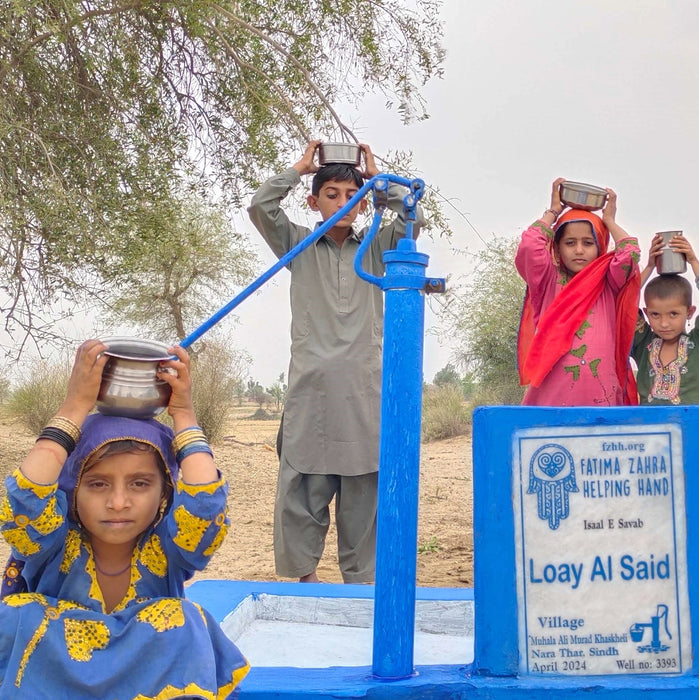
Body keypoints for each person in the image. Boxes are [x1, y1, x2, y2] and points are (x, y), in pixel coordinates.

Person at [0, 340, 249, 697]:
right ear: (72, 491)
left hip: (148, 679)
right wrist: (74, 408)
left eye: (140, 484)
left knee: (186, 620)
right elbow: (25, 504)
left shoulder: (169, 547)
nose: (119, 503)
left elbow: (205, 510)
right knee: (18, 613)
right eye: (98, 484)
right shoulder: (51, 543)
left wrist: (184, 416)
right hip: (55, 678)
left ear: (166, 493)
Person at [248, 140, 419, 583]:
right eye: (332, 195)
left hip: (363, 394)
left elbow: (413, 216)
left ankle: (360, 588)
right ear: (313, 200)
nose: (344, 204)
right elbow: (261, 206)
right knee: (302, 489)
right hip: (311, 392)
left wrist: (381, 183)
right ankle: (303, 581)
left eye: (352, 195)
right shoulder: (298, 245)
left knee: (365, 494)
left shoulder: (379, 247)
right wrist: (300, 167)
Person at [516, 177, 641, 406]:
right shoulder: (547, 279)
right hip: (552, 394)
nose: (579, 250)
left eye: (588, 242)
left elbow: (630, 253)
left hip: (601, 393)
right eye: (570, 243)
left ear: (600, 246)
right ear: (557, 246)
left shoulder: (608, 281)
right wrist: (553, 211)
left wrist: (609, 221)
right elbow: (529, 246)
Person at [632, 233, 699, 405]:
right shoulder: (643, 343)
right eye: (655, 315)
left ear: (690, 312)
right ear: (646, 312)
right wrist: (650, 266)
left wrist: (693, 260)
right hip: (653, 430)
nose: (664, 323)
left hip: (692, 429)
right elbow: (626, 300)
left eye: (673, 314)